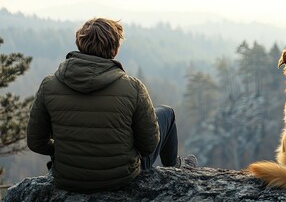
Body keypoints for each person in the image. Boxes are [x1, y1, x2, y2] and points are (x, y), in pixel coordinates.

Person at [27, 18, 197, 193]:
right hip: (121, 179)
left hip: (67, 178)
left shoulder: (49, 85)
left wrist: (64, 150)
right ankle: (176, 167)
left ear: (79, 44)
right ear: (115, 50)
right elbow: (149, 146)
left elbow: (35, 142)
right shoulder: (133, 87)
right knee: (167, 113)